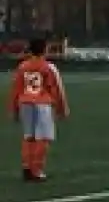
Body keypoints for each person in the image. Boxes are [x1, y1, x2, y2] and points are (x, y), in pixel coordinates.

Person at [11, 38, 68, 183]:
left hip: (25, 103)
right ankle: (37, 170)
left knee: (29, 136)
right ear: (44, 50)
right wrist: (62, 108)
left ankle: (26, 167)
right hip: (42, 104)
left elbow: (16, 89)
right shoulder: (48, 67)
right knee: (43, 137)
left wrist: (14, 109)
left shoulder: (22, 66)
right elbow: (56, 88)